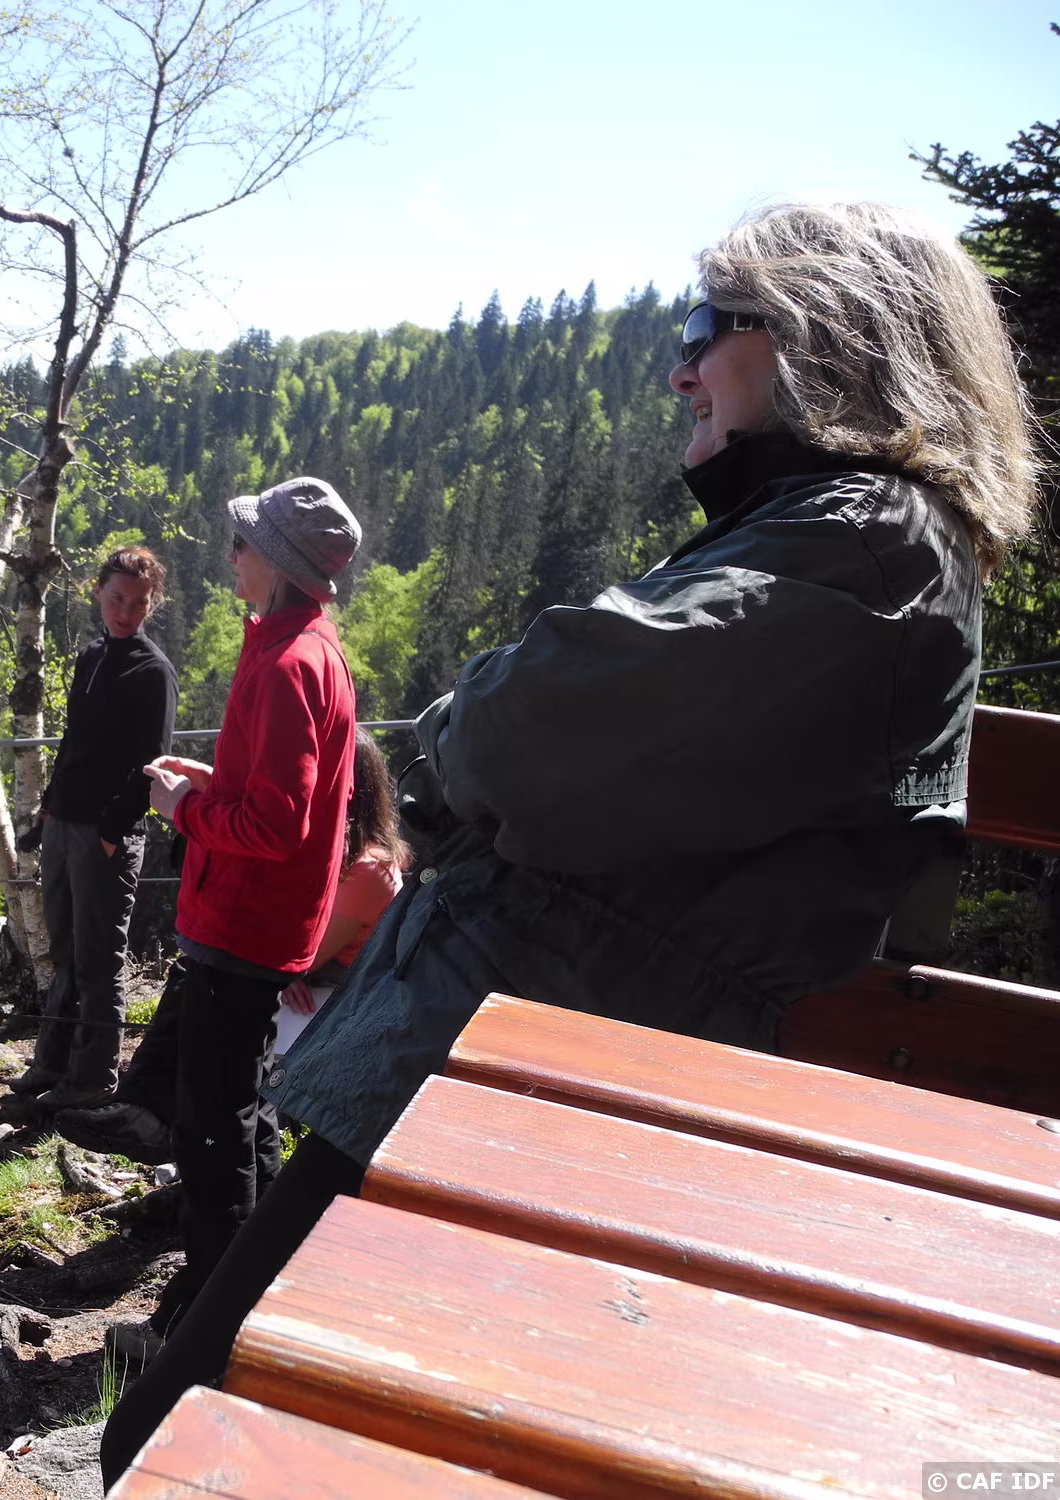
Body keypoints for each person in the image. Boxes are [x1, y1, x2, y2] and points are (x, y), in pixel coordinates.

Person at [99, 201, 1040, 1488]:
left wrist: (443, 747)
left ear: (826, 337)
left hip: (526, 1087)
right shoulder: (844, 539)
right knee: (191, 1418)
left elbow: (535, 722)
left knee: (181, 1442)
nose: (680, 369)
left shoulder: (867, 546)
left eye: (705, 329)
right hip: (528, 1068)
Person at [91, 477, 361, 1361]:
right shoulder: (306, 649)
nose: (231, 554)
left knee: (211, 1133)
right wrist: (212, 784)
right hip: (260, 923)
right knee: (242, 1115)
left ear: (275, 561)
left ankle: (206, 1329)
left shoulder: (287, 665)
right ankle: (263, 1283)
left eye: (244, 542)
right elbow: (290, 799)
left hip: (243, 925)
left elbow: (276, 828)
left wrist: (183, 811)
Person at [58, 727, 407, 1149]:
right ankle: (151, 1110)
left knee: (216, 978)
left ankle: (160, 1118)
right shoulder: (327, 850)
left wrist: (286, 965)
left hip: (344, 999)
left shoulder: (369, 869)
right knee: (202, 968)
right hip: (309, 979)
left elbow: (306, 951)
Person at [12, 545, 178, 1112]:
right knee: (64, 951)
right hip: (64, 823)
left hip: (105, 835)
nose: (125, 612)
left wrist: (112, 830)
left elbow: (152, 762)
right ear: (98, 593)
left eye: (137, 603)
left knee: (99, 959)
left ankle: (91, 1078)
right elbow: (73, 741)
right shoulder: (93, 656)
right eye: (116, 599)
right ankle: (52, 1062)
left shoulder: (153, 672)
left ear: (151, 604)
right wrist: (48, 810)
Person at [275, 729, 409, 1051]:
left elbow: (303, 959)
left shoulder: (368, 869)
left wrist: (283, 973)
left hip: (341, 994)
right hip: (324, 982)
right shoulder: (344, 853)